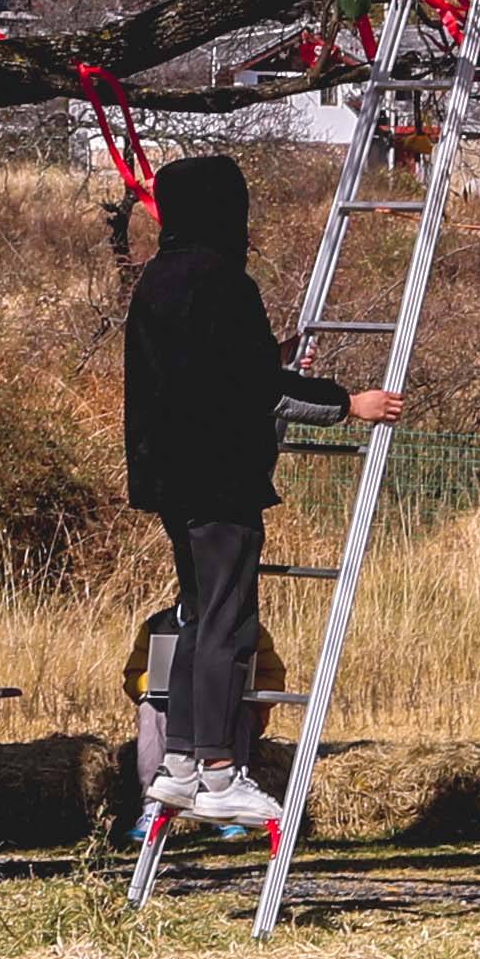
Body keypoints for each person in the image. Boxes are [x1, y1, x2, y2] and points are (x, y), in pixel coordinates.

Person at [116, 150, 404, 832]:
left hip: (169, 478)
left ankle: (180, 765)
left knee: (195, 615)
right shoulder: (223, 281)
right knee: (228, 622)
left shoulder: (156, 278)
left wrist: (268, 361)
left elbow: (210, 373)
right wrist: (345, 403)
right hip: (219, 476)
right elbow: (254, 386)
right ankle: (220, 771)